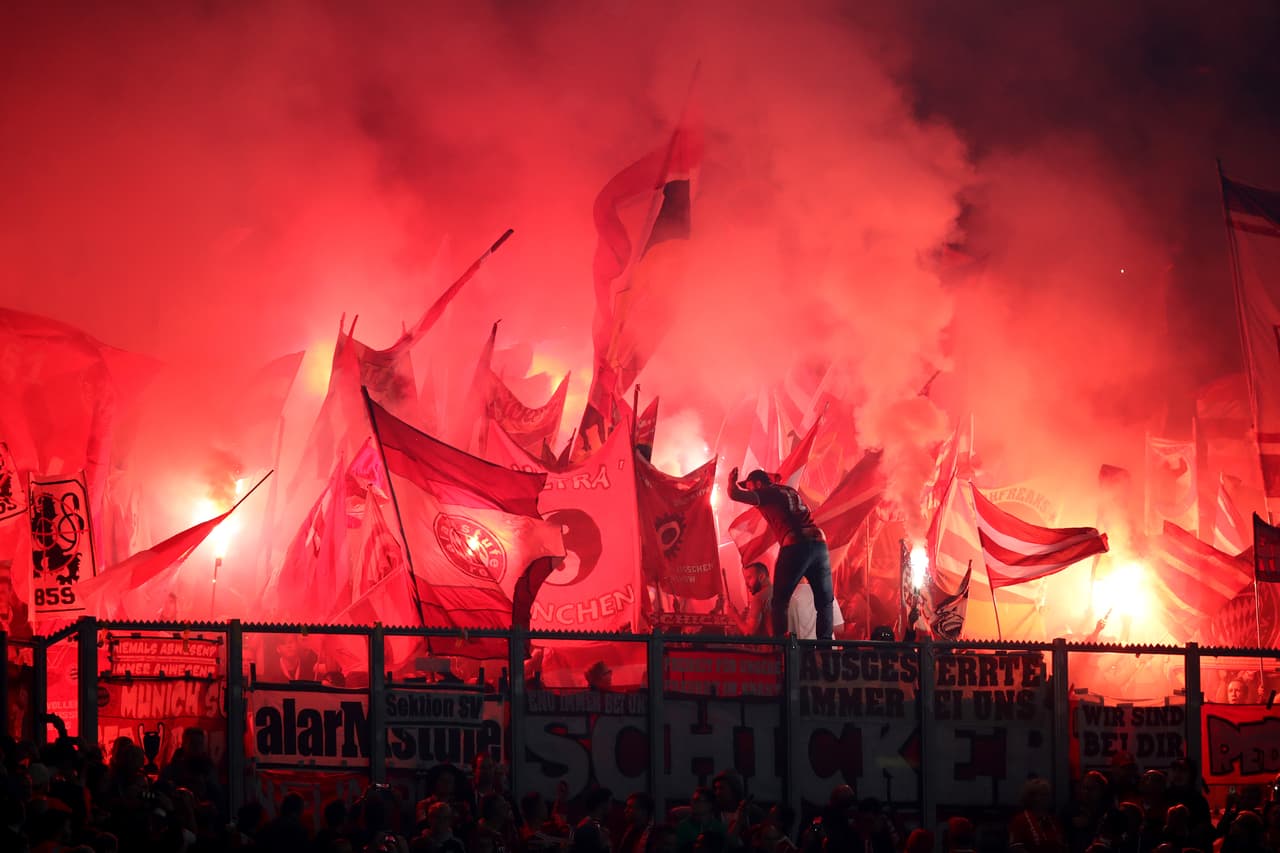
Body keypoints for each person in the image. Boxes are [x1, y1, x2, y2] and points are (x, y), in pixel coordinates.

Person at [726, 468, 833, 640]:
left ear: (759, 483)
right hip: (819, 544)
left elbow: (735, 494)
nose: (750, 490)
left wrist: (731, 483)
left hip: (796, 545)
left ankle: (780, 646)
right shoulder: (789, 491)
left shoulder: (767, 492)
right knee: (825, 602)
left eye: (750, 486)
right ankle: (825, 647)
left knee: (780, 601)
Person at [735, 563, 772, 637]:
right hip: (783, 645)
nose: (746, 583)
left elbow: (749, 631)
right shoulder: (777, 591)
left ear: (761, 576)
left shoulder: (759, 597)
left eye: (749, 578)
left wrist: (734, 615)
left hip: (770, 646)